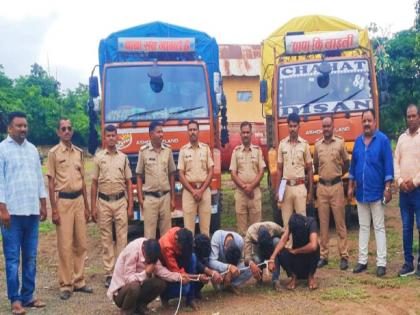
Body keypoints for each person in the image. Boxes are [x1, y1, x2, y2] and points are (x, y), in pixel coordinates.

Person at [0, 112, 47, 314]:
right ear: (9, 128)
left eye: (25, 126)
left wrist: (43, 204)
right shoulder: (2, 149)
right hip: (12, 214)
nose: (23, 129)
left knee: (30, 257)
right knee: (12, 259)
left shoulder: (32, 149)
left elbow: (39, 178)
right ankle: (15, 300)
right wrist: (2, 209)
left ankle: (28, 296)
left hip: (32, 213)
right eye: (18, 126)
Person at [46, 118, 93, 300]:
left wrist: (88, 207)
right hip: (63, 202)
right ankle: (66, 284)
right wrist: (54, 209)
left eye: (69, 128)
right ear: (58, 132)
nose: (67, 131)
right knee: (65, 245)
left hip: (79, 201)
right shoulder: (53, 153)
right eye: (63, 129)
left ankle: (79, 280)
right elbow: (51, 183)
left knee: (81, 243)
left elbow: (83, 182)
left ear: (72, 131)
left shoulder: (79, 153)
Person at [348, 109, 394, 277]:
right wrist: (351, 186)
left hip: (376, 192)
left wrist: (387, 188)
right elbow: (353, 167)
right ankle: (362, 261)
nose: (366, 124)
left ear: (375, 122)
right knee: (363, 227)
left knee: (379, 227)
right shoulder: (358, 142)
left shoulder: (382, 140)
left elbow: (388, 166)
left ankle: (381, 263)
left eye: (369, 120)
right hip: (361, 193)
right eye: (364, 121)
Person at [91, 124, 134, 287]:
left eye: (113, 135)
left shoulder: (123, 158)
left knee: (122, 238)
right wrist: (93, 207)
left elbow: (129, 183)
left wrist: (130, 205)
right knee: (106, 238)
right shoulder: (98, 158)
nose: (111, 138)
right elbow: (94, 183)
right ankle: (109, 273)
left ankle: (120, 271)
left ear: (117, 137)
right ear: (104, 138)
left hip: (120, 201)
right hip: (103, 202)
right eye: (108, 135)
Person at [107, 238, 186, 315]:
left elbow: (162, 272)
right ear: (144, 250)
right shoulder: (132, 251)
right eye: (148, 260)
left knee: (160, 283)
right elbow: (128, 279)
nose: (149, 262)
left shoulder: (152, 251)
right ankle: (126, 311)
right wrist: (145, 273)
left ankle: (140, 306)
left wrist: (179, 277)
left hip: (137, 288)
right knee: (134, 286)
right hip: (121, 293)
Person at [313, 116, 350, 270]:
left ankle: (344, 256)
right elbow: (315, 164)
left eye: (328, 126)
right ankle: (324, 255)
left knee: (340, 223)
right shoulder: (317, 145)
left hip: (336, 187)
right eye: (324, 126)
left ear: (333, 127)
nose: (326, 129)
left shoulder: (340, 143)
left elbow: (346, 163)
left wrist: (339, 175)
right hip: (322, 188)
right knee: (323, 224)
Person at [136, 121, 176, 239]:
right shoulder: (143, 152)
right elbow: (138, 176)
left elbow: (171, 174)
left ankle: (164, 258)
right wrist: (140, 198)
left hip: (165, 198)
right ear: (151, 134)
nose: (161, 135)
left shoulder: (168, 150)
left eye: (162, 132)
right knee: (149, 236)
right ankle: (150, 258)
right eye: (158, 132)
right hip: (150, 199)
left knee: (166, 236)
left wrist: (173, 198)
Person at [394, 104, 420, 277]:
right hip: (404, 192)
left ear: (419, 117)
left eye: (413, 116)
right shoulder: (402, 139)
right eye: (408, 116)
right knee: (406, 228)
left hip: (418, 191)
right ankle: (408, 263)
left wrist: (415, 182)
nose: (410, 119)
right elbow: (395, 161)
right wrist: (400, 181)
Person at [276, 113, 313, 227]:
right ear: (288, 126)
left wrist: (310, 191)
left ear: (299, 126)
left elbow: (310, 169)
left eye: (295, 126)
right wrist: (279, 191)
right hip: (285, 186)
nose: (292, 129)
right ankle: (288, 244)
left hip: (300, 187)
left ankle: (302, 245)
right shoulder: (282, 145)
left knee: (302, 223)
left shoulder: (305, 145)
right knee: (286, 223)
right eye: (290, 126)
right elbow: (279, 170)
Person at [178, 120, 214, 236]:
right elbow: (181, 174)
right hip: (189, 192)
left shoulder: (206, 149)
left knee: (205, 230)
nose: (192, 132)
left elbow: (211, 171)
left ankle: (205, 254)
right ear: (187, 132)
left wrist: (201, 190)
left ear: (198, 132)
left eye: (194, 129)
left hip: (204, 191)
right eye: (190, 130)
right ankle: (189, 254)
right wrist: (193, 191)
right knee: (188, 231)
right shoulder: (183, 151)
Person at [159, 227, 208, 310]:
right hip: (167, 271)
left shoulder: (181, 233)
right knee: (185, 288)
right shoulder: (166, 246)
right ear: (176, 239)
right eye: (181, 248)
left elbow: (188, 252)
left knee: (193, 258)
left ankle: (190, 299)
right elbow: (177, 273)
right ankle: (165, 295)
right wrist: (198, 277)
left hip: (178, 259)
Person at [230, 121, 266, 235]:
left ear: (251, 134)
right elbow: (233, 173)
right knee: (242, 230)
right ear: (240, 134)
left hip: (254, 193)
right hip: (241, 194)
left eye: (247, 132)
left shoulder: (258, 150)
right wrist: (245, 187)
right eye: (243, 132)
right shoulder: (235, 152)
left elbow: (261, 171)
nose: (245, 135)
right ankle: (244, 253)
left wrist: (251, 187)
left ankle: (255, 253)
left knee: (256, 229)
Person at [268, 213, 320, 290]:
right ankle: (294, 277)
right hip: (297, 261)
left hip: (309, 260)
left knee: (316, 247)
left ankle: (310, 277)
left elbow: (313, 245)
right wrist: (272, 258)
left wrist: (296, 251)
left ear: (304, 225)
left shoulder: (311, 223)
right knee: (280, 251)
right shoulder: (292, 223)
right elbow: (283, 240)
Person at [209, 230, 252, 294]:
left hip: (232, 268)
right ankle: (221, 285)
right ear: (225, 248)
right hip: (219, 268)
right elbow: (211, 261)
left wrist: (230, 273)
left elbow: (237, 261)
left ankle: (230, 285)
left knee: (250, 268)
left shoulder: (240, 241)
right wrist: (228, 267)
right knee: (218, 288)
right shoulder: (217, 236)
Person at [243, 221, 284, 289]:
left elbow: (285, 234)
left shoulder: (274, 227)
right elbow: (247, 256)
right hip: (258, 248)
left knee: (276, 241)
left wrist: (275, 254)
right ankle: (259, 279)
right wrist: (251, 263)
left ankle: (275, 280)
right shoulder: (250, 233)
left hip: (271, 245)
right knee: (256, 259)